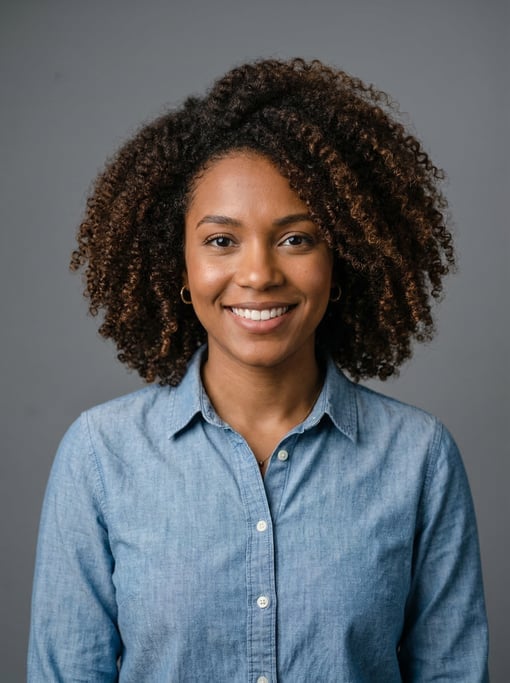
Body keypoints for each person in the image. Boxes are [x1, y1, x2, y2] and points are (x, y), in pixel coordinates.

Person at [28, 58, 489, 681]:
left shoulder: (419, 459)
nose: (259, 274)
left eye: (296, 239)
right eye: (221, 241)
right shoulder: (100, 457)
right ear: (180, 267)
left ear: (342, 258)